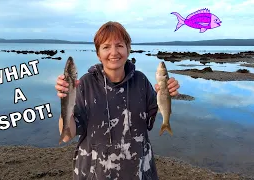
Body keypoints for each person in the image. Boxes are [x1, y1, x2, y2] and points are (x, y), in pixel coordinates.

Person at [55, 21, 180, 180]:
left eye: (119, 45)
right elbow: (67, 135)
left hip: (139, 172)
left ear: (128, 49)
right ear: (98, 53)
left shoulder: (141, 82)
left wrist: (167, 95)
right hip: (95, 174)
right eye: (106, 47)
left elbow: (156, 114)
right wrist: (66, 100)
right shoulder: (85, 84)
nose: (114, 52)